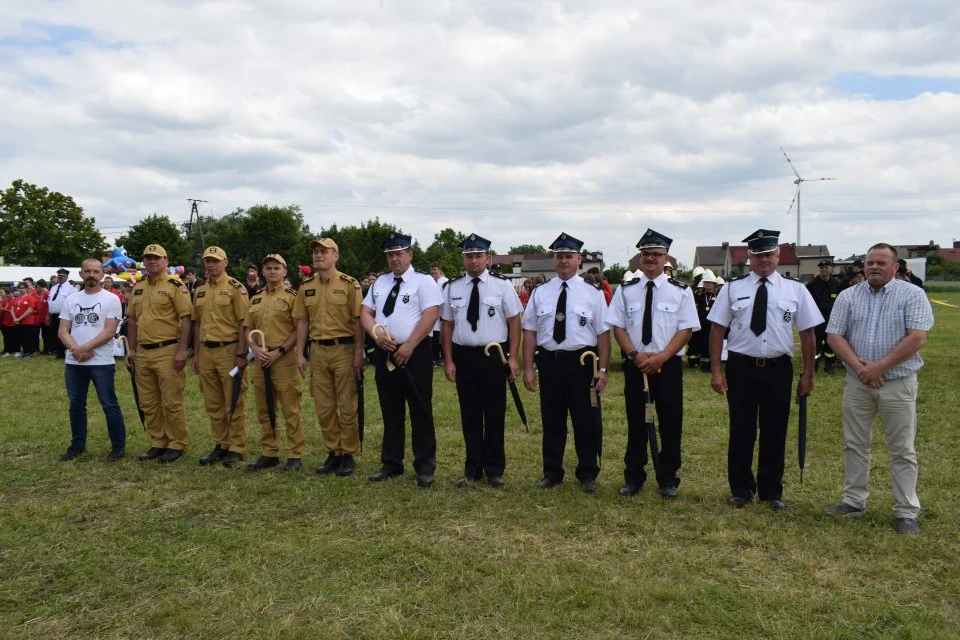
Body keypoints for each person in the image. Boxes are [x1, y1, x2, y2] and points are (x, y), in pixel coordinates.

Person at [707, 229, 822, 510]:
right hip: (741, 367)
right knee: (742, 429)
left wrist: (808, 374)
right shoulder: (733, 288)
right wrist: (716, 371)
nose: (764, 260)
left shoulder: (796, 290)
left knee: (775, 430)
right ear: (749, 257)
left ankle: (771, 491)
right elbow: (717, 330)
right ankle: (741, 489)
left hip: (777, 369)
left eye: (769, 254)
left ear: (778, 256)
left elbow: (808, 335)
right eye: (758, 255)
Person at [825, 243, 935, 535]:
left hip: (897, 383)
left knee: (902, 449)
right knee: (855, 443)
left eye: (881, 263)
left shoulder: (912, 294)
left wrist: (879, 367)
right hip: (858, 383)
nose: (874, 267)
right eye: (870, 262)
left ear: (895, 267)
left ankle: (906, 511)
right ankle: (853, 501)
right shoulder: (849, 296)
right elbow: (834, 335)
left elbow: (917, 338)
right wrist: (862, 369)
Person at [605, 229, 699, 498]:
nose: (650, 259)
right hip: (636, 366)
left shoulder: (680, 292)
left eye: (656, 254)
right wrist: (635, 355)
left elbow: (686, 330)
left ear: (666, 257)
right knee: (636, 423)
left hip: (666, 366)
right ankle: (634, 477)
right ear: (640, 258)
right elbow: (618, 328)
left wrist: (661, 357)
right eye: (646, 254)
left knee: (671, 424)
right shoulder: (626, 291)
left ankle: (668, 478)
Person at [522, 233, 609, 493]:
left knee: (585, 420)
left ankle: (587, 473)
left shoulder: (592, 293)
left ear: (579, 259)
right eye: (559, 256)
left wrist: (603, 370)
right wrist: (528, 367)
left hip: (582, 364)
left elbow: (604, 335)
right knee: (552, 421)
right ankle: (552, 472)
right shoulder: (541, 292)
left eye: (569, 256)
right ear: (554, 259)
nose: (563, 261)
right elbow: (530, 332)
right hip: (550, 362)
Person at [360, 232, 443, 488]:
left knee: (420, 409)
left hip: (414, 352)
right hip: (385, 350)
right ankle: (391, 463)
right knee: (390, 409)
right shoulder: (380, 283)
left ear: (410, 254)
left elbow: (431, 314)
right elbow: (365, 312)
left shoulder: (424, 281)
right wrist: (375, 334)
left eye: (399, 253)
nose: (394, 259)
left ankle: (425, 466)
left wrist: (409, 345)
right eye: (390, 255)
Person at [441, 234, 523, 488]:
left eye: (478, 256)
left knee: (495, 414)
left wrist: (513, 358)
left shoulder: (502, 286)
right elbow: (446, 325)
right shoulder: (452, 288)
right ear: (463, 259)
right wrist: (448, 360)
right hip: (464, 356)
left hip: (494, 355)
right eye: (469, 256)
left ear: (488, 258)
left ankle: (495, 469)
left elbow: (514, 322)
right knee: (470, 415)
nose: (473, 261)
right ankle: (472, 468)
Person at [293, 238, 365, 477]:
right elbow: (302, 321)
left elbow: (358, 321)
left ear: (336, 256)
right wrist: (300, 353)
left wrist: (358, 353)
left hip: (344, 349)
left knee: (346, 405)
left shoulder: (349, 284)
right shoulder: (306, 287)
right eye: (315, 252)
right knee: (324, 406)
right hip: (318, 351)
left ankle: (348, 453)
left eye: (323, 252)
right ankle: (333, 451)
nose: (318, 256)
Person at [125, 244, 193, 463]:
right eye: (148, 258)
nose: (152, 262)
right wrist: (131, 349)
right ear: (143, 262)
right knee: (148, 401)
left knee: (171, 400)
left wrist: (182, 350)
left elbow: (186, 319)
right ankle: (158, 441)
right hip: (143, 351)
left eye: (156, 258)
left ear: (166, 261)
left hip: (168, 349)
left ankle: (176, 443)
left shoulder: (175, 285)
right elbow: (133, 320)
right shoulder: (138, 287)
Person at [57, 259, 127, 461]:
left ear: (102, 275)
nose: (91, 275)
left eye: (95, 271)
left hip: (101, 361)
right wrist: (75, 349)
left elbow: (109, 331)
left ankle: (118, 446)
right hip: (74, 362)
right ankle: (77, 445)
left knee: (108, 404)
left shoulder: (111, 299)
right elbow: (63, 330)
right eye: (87, 271)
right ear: (80, 274)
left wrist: (84, 348)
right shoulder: (71, 299)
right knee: (76, 405)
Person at [244, 254, 305, 472]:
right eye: (268, 268)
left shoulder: (292, 297)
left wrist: (279, 351)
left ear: (284, 271)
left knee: (290, 407)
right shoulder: (256, 298)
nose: (272, 271)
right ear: (262, 272)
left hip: (283, 358)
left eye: (276, 268)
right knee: (264, 407)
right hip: (261, 359)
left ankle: (294, 453)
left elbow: (298, 329)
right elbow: (248, 328)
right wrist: (255, 349)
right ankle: (269, 452)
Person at [192, 246, 250, 467]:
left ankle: (236, 446)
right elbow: (197, 323)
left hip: (230, 350)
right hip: (207, 351)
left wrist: (241, 353)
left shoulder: (236, 288)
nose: (211, 265)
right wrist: (196, 353)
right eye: (207, 261)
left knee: (234, 399)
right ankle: (221, 443)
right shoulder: (200, 290)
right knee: (213, 401)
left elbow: (244, 322)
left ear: (225, 262)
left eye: (215, 261)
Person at [806, 259, 843, 374]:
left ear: (831, 269)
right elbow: (806, 302)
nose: (824, 270)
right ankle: (814, 366)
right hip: (817, 320)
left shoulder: (836, 284)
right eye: (822, 268)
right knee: (815, 343)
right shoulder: (812, 284)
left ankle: (829, 366)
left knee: (830, 344)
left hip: (832, 319)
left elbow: (841, 300)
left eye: (826, 267)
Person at [45, 269, 78, 358]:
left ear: (66, 277)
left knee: (65, 333)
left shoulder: (71, 288)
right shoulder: (53, 287)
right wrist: (48, 315)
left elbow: (73, 302)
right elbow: (50, 302)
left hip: (65, 315)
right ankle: (59, 352)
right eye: (59, 276)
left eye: (62, 276)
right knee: (55, 334)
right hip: (54, 315)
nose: (60, 277)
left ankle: (67, 351)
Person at [11, 281, 40, 358]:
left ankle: (28, 352)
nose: (21, 290)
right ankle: (24, 351)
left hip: (27, 321)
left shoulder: (30, 298)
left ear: (26, 289)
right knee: (20, 337)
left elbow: (30, 310)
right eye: (20, 288)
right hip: (17, 322)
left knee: (28, 337)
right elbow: (12, 309)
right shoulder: (16, 298)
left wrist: (19, 318)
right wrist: (14, 318)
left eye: (23, 288)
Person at [429, 263, 449, 366]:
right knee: (436, 338)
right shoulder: (433, 282)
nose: (433, 271)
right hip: (436, 315)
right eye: (431, 270)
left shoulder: (445, 282)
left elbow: (445, 299)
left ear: (440, 270)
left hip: (443, 314)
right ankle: (436, 358)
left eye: (435, 269)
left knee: (443, 337)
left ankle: (441, 358)